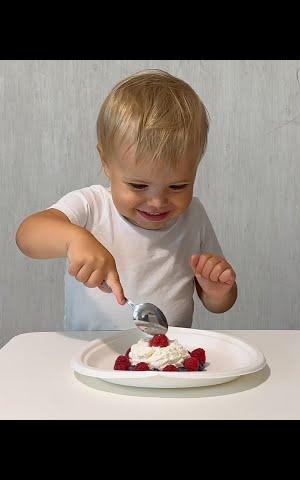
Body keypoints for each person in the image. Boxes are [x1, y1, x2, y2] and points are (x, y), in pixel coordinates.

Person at [16, 69, 237, 330]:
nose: (157, 202)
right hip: (92, 356)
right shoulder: (92, 206)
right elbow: (27, 235)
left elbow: (219, 304)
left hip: (167, 358)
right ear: (106, 163)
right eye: (138, 185)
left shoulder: (193, 216)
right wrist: (74, 239)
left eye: (177, 186)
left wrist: (217, 291)